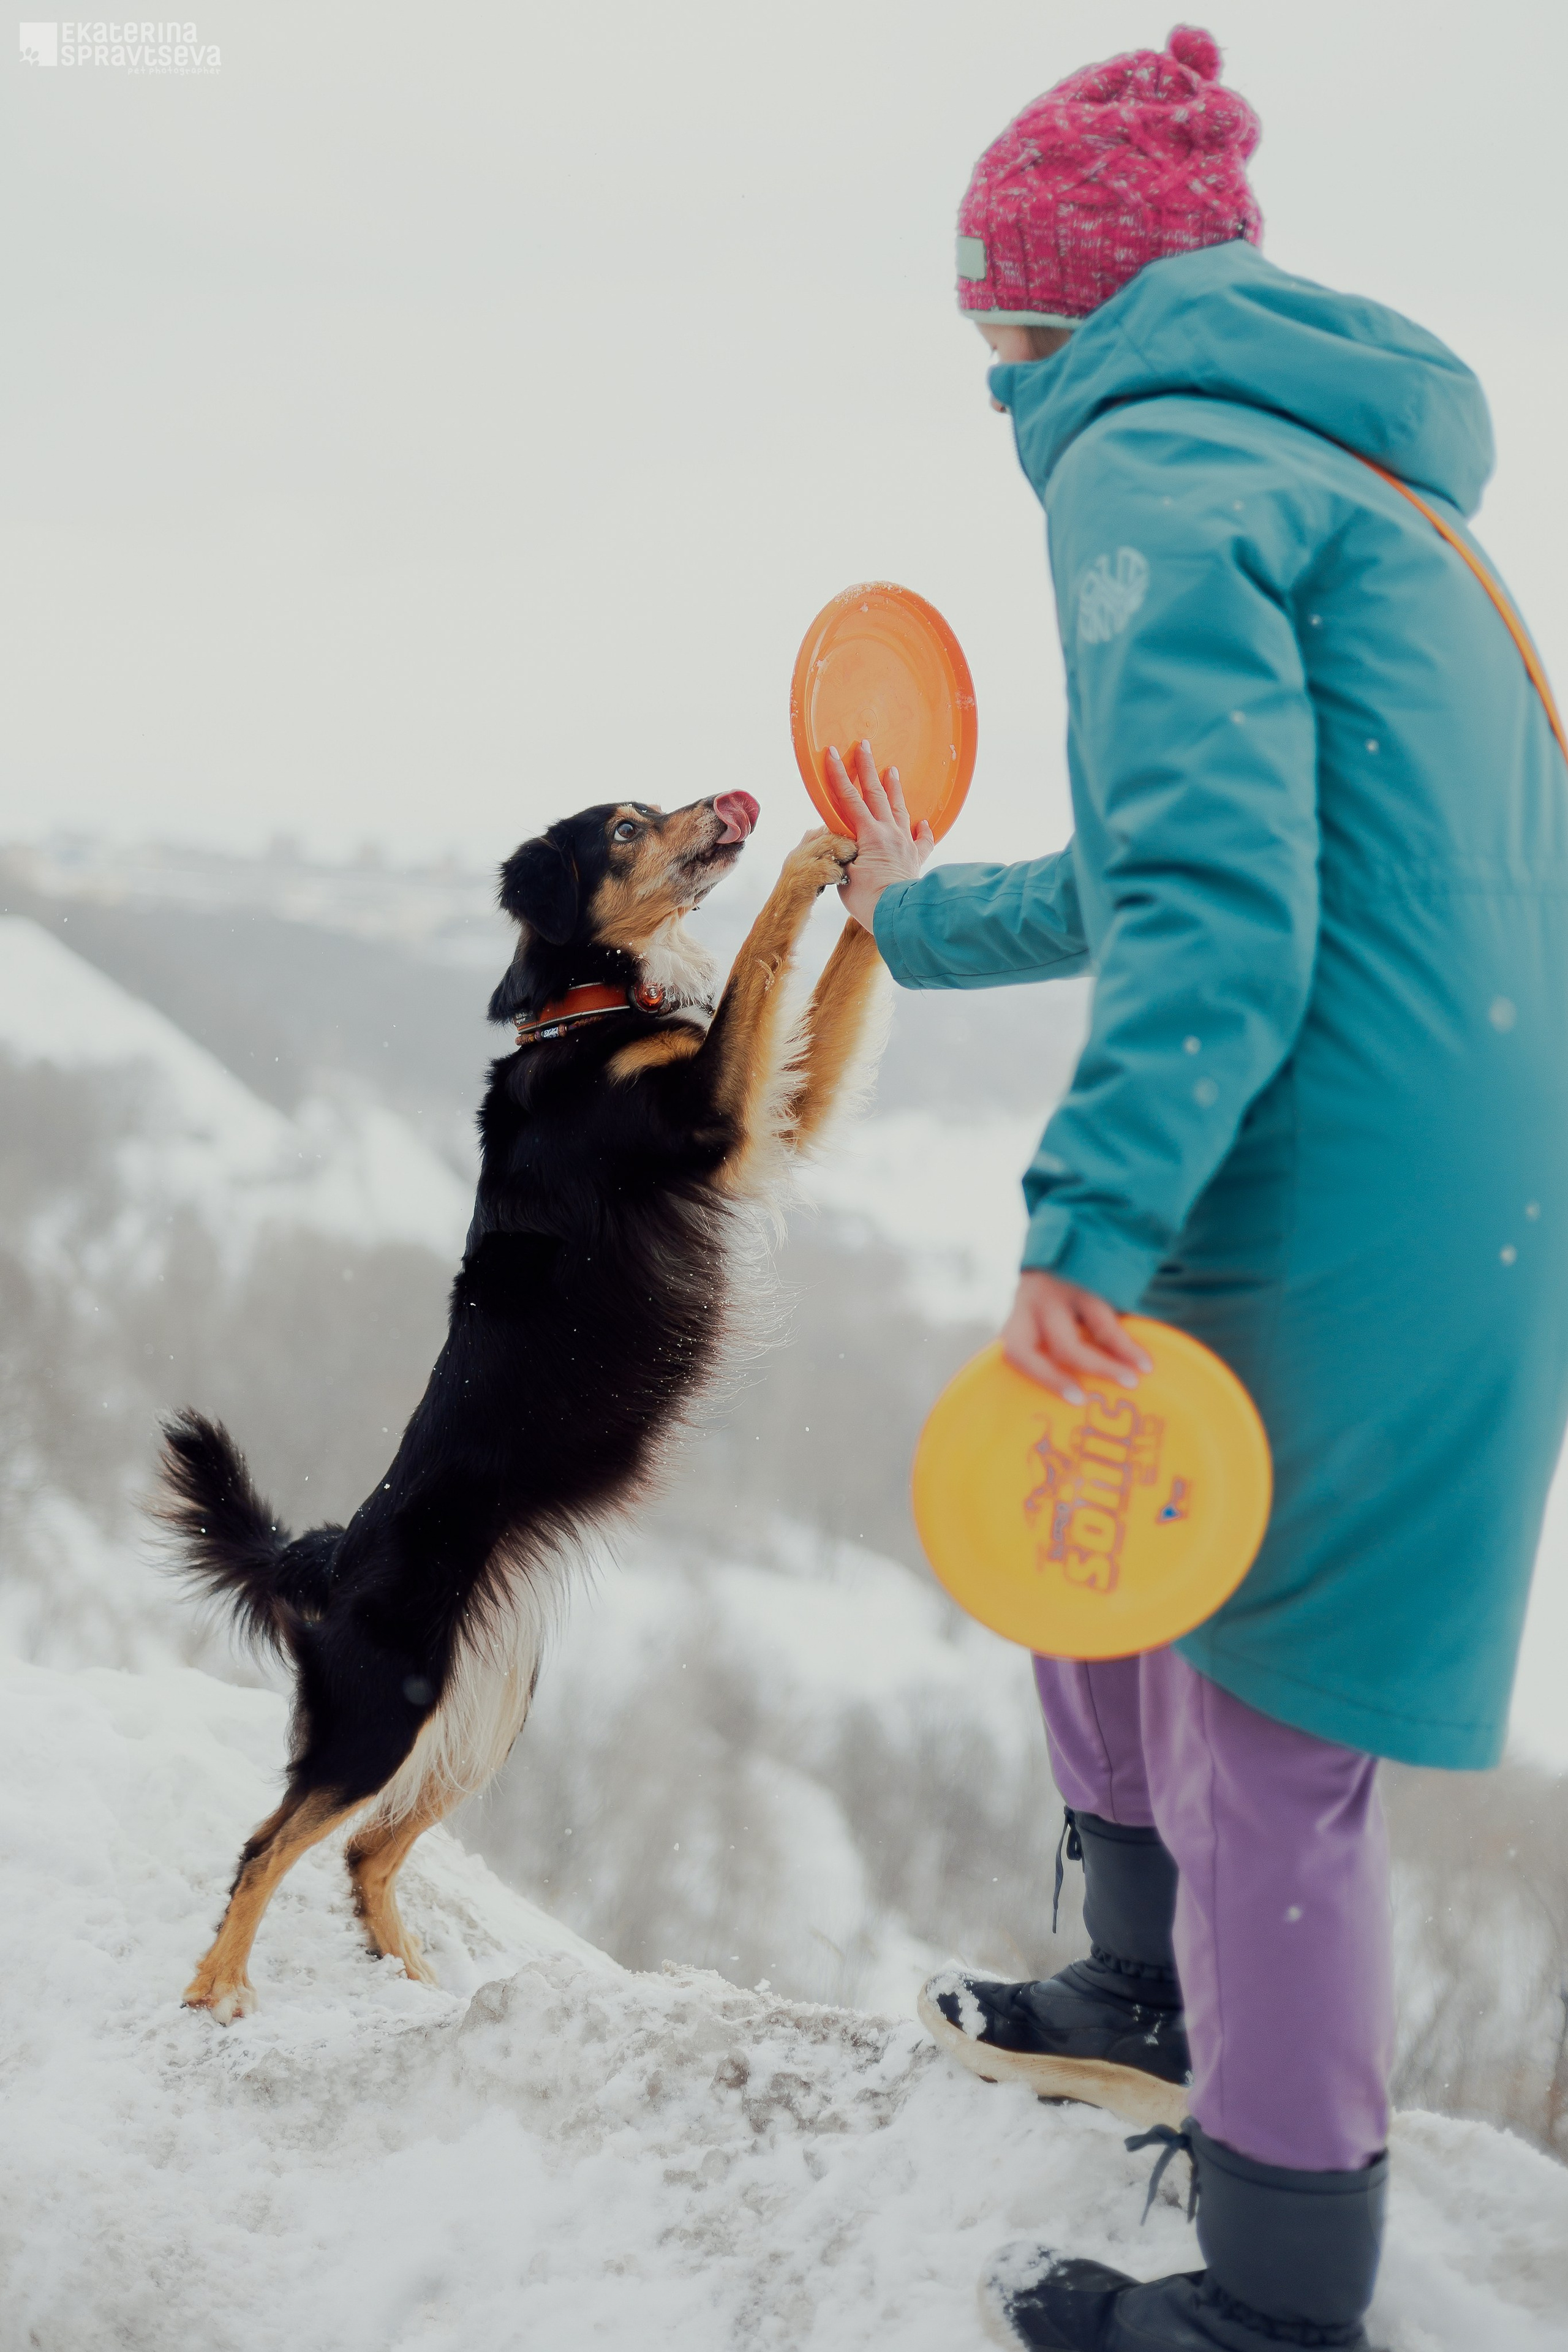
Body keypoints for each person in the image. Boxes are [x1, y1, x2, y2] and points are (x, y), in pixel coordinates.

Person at [829, 24, 1568, 2351]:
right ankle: (1136, 1996)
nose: (991, 380)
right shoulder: (1352, 489)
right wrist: (914, 911)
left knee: (1268, 1726)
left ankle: (1271, 2299)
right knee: (1108, 1534)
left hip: (1335, 1181)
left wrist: (1091, 1217)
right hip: (1437, 1156)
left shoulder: (1144, 468)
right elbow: (1196, 857)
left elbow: (1226, 914)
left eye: (992, 330)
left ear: (1061, 308)